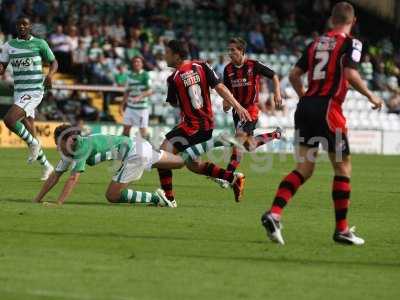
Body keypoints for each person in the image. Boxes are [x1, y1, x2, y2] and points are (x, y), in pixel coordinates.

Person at [260, 2, 384, 246]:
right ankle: (341, 230)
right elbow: (349, 74)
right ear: (353, 21)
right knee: (342, 167)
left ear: (331, 20)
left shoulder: (315, 43)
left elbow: (294, 75)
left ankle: (274, 213)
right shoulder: (352, 43)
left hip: (305, 108)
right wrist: (371, 95)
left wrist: (305, 95)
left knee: (304, 168)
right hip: (329, 111)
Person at [33, 124, 237, 206]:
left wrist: (58, 203)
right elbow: (55, 175)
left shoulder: (79, 148)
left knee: (112, 195)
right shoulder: (71, 149)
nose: (56, 144)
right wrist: (37, 199)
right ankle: (217, 141)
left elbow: (73, 177)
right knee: (182, 162)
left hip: (134, 154)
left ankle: (157, 200)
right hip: (140, 147)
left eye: (57, 140)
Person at [157, 40, 252, 205]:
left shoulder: (173, 78)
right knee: (192, 164)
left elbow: (173, 103)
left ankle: (169, 199)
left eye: (167, 53)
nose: (164, 55)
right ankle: (233, 178)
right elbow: (220, 87)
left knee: (162, 154)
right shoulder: (202, 66)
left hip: (193, 126)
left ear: (177, 55)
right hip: (206, 124)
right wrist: (238, 106)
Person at [212, 37, 282, 188]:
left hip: (250, 109)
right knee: (248, 145)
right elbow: (227, 89)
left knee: (238, 140)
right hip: (237, 111)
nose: (230, 53)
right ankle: (275, 134)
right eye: (229, 50)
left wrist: (277, 92)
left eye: (233, 50)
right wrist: (226, 103)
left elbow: (274, 75)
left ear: (241, 51)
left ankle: (227, 176)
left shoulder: (253, 65)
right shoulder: (228, 69)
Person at [0, 15, 58, 181]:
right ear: (16, 27)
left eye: (25, 24)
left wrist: (50, 75)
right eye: (19, 24)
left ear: (30, 26)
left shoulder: (40, 43)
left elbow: (54, 62)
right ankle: (47, 166)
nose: (22, 27)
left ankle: (33, 144)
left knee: (9, 120)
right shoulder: (8, 46)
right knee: (29, 127)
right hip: (19, 91)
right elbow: (2, 66)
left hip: (34, 90)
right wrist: (1, 67)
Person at [120, 56, 153, 139]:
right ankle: (124, 150)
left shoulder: (146, 75)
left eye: (138, 62)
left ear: (142, 64)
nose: (136, 63)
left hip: (141, 109)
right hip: (130, 107)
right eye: (135, 62)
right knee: (125, 130)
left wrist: (139, 97)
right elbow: (127, 92)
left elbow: (150, 91)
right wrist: (121, 106)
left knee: (143, 132)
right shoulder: (129, 75)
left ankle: (149, 149)